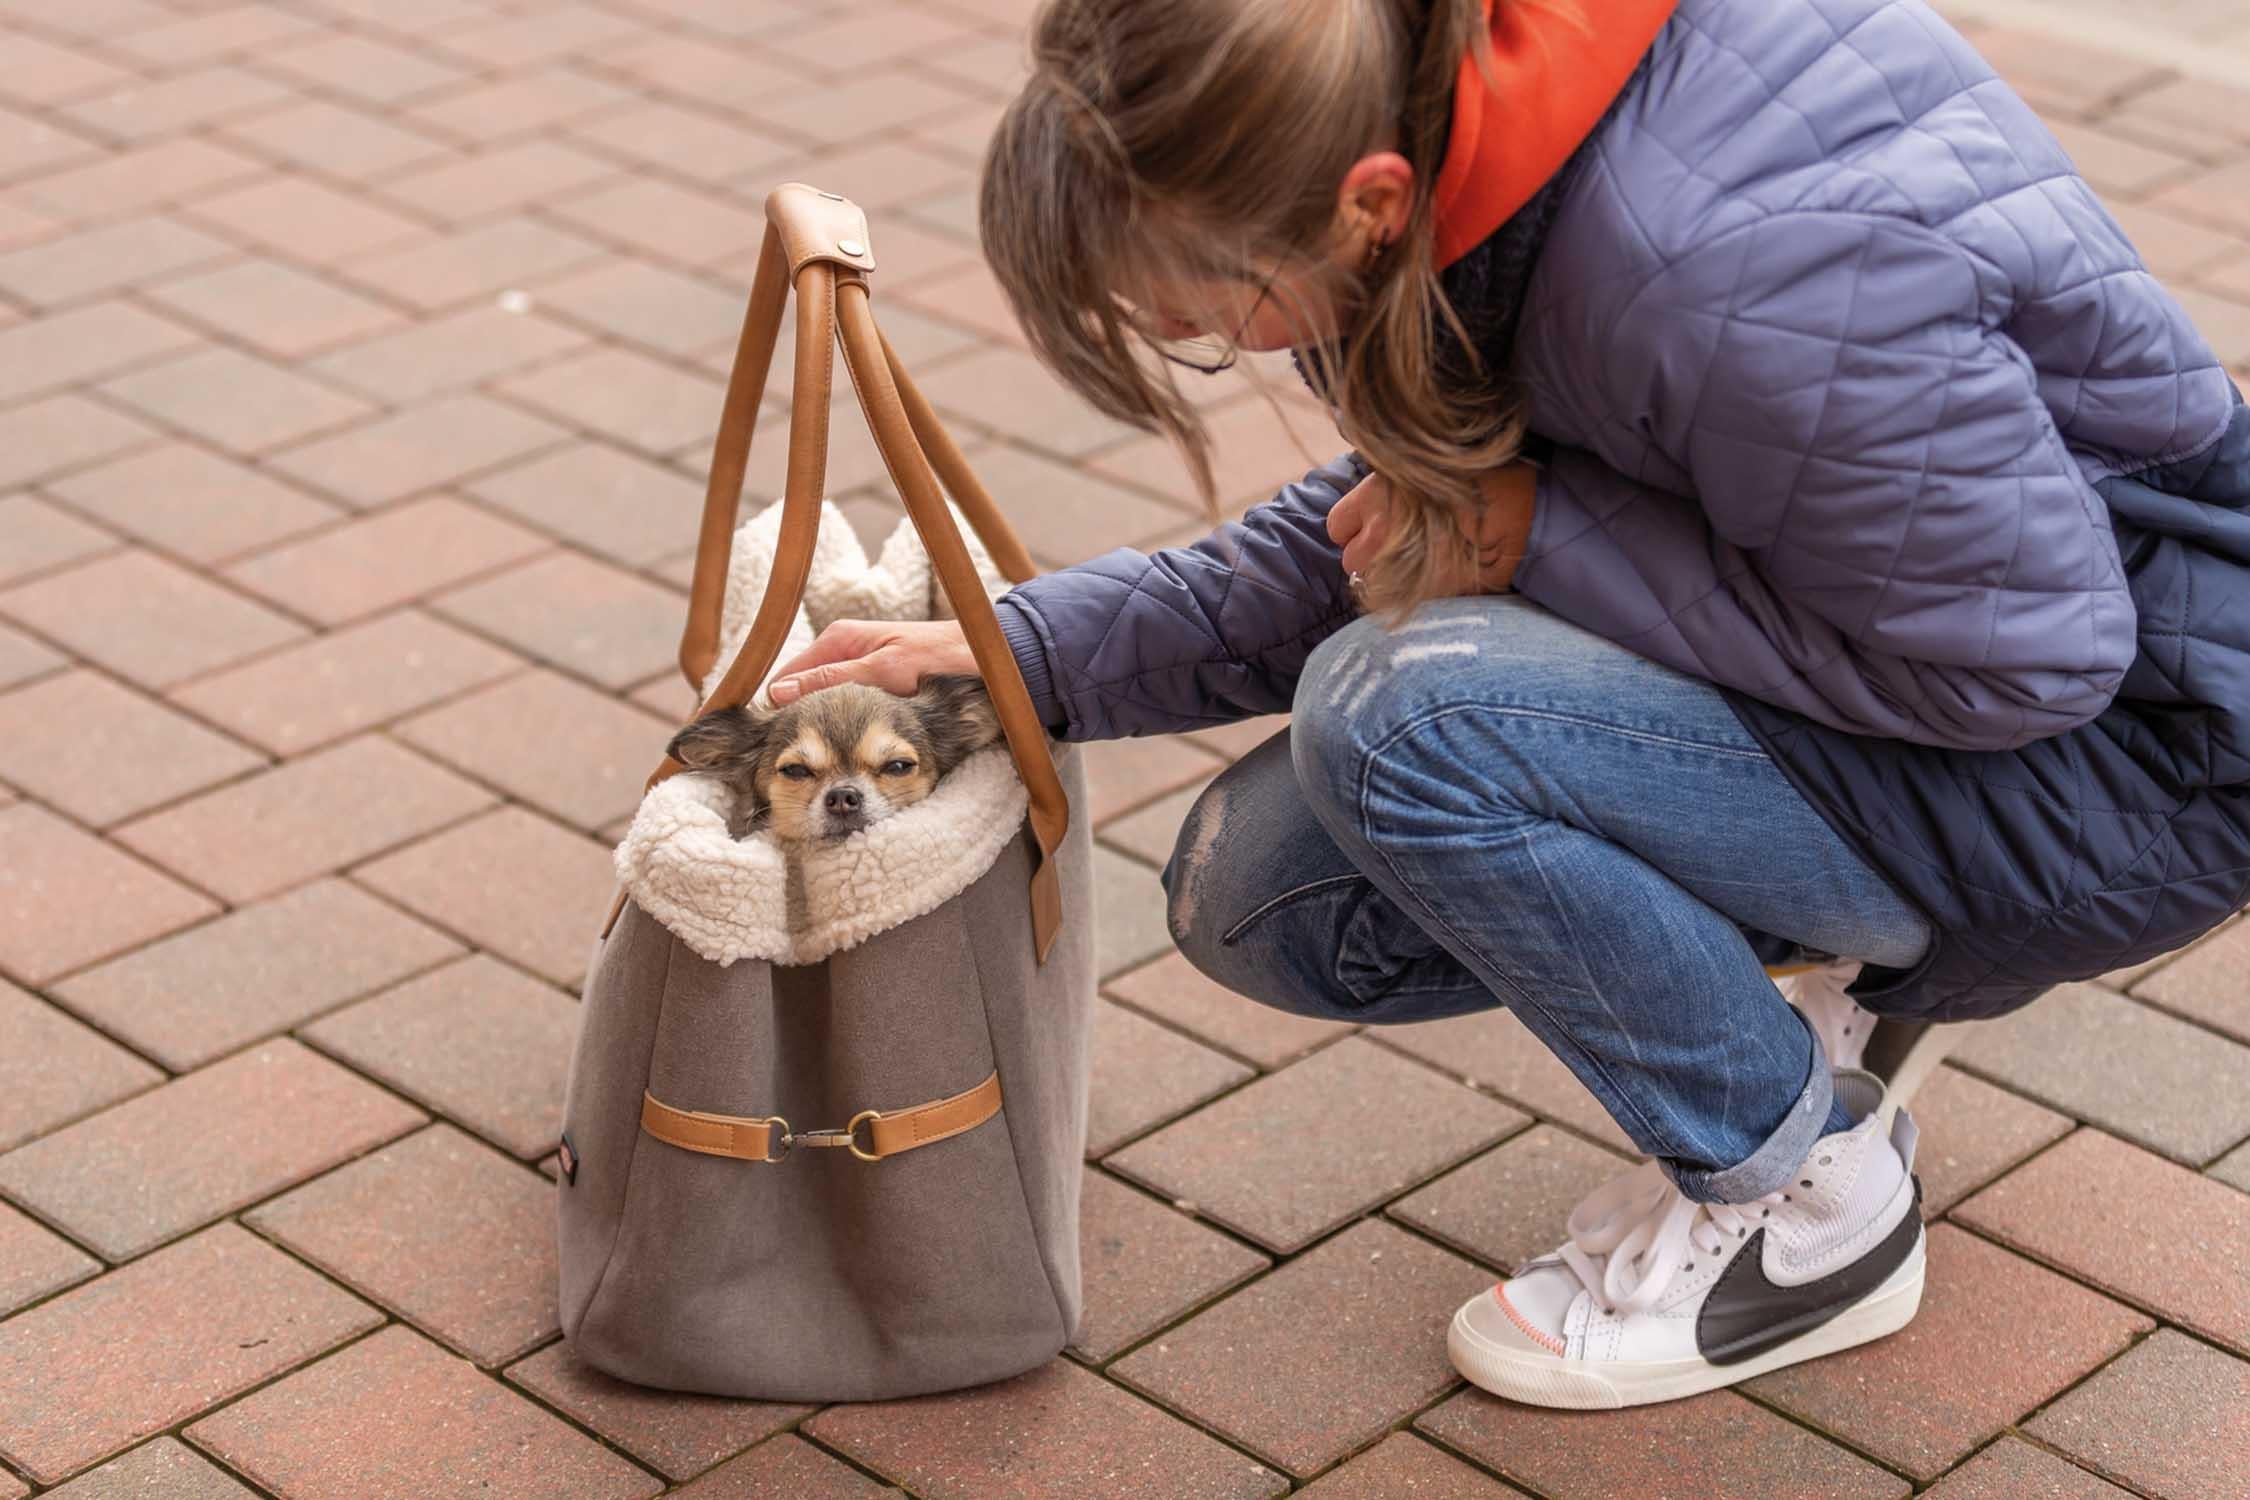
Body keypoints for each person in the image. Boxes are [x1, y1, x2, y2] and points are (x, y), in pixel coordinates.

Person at [762, 0, 2250, 1408]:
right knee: (1265, 894)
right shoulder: (1466, 110)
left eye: (1213, 318)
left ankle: (1810, 1210)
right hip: (1987, 666)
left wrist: (1540, 536)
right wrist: (1028, 656)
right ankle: (1825, 980)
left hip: (2141, 758)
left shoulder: (1711, 265)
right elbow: (1406, 518)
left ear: (1364, 202)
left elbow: (2023, 661)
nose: (1227, 345)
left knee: (1404, 723)